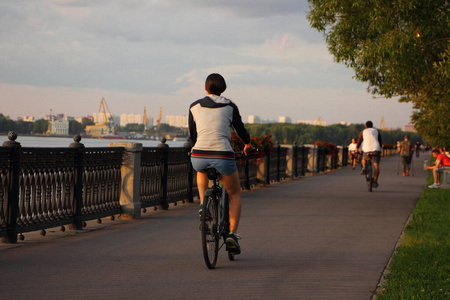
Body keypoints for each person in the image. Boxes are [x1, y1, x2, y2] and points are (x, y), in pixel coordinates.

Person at [188, 73, 253, 255]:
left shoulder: (194, 106)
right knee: (235, 194)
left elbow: (193, 134)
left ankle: (203, 204)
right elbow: (240, 129)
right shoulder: (230, 106)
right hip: (223, 155)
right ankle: (232, 234)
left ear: (205, 88)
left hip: (199, 154)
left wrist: (197, 148)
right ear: (223, 88)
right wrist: (247, 143)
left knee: (201, 169)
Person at [356, 121, 382, 187]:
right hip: (376, 148)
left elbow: (359, 140)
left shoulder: (363, 131)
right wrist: (380, 148)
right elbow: (380, 140)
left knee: (364, 158)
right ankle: (375, 181)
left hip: (366, 148)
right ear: (372, 126)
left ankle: (364, 167)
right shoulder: (376, 131)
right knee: (376, 165)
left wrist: (357, 148)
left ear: (366, 126)